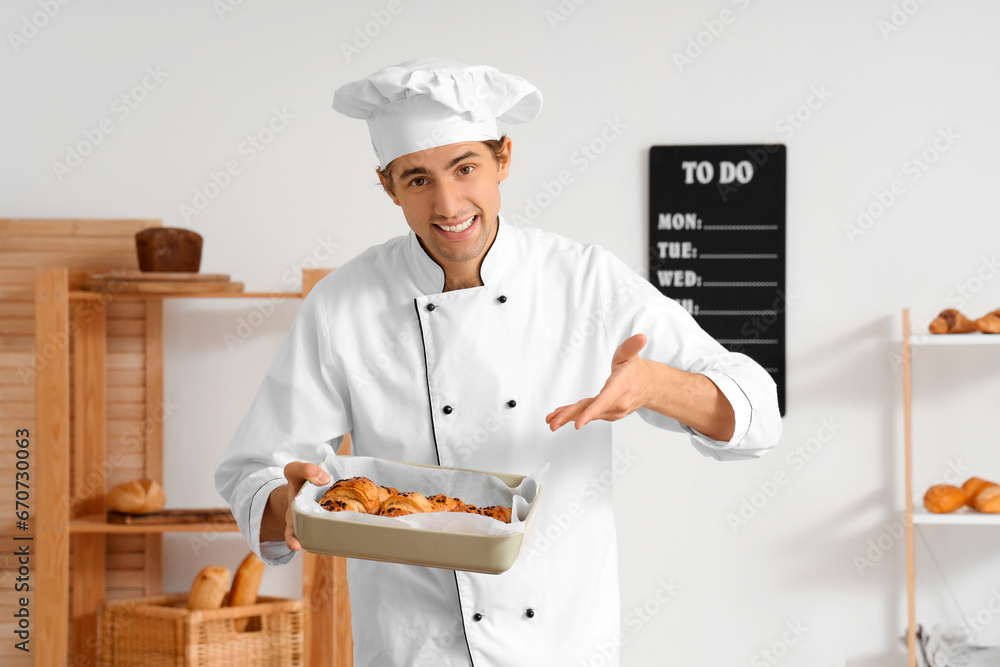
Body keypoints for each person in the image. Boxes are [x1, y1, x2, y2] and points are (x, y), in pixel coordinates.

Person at [214, 57, 782, 666]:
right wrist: (291, 505)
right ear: (387, 186)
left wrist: (655, 386)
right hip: (413, 650)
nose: (448, 202)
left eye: (466, 168)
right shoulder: (344, 304)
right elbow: (254, 470)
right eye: (417, 179)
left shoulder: (584, 281)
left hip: (563, 647)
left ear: (504, 158)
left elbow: (757, 417)